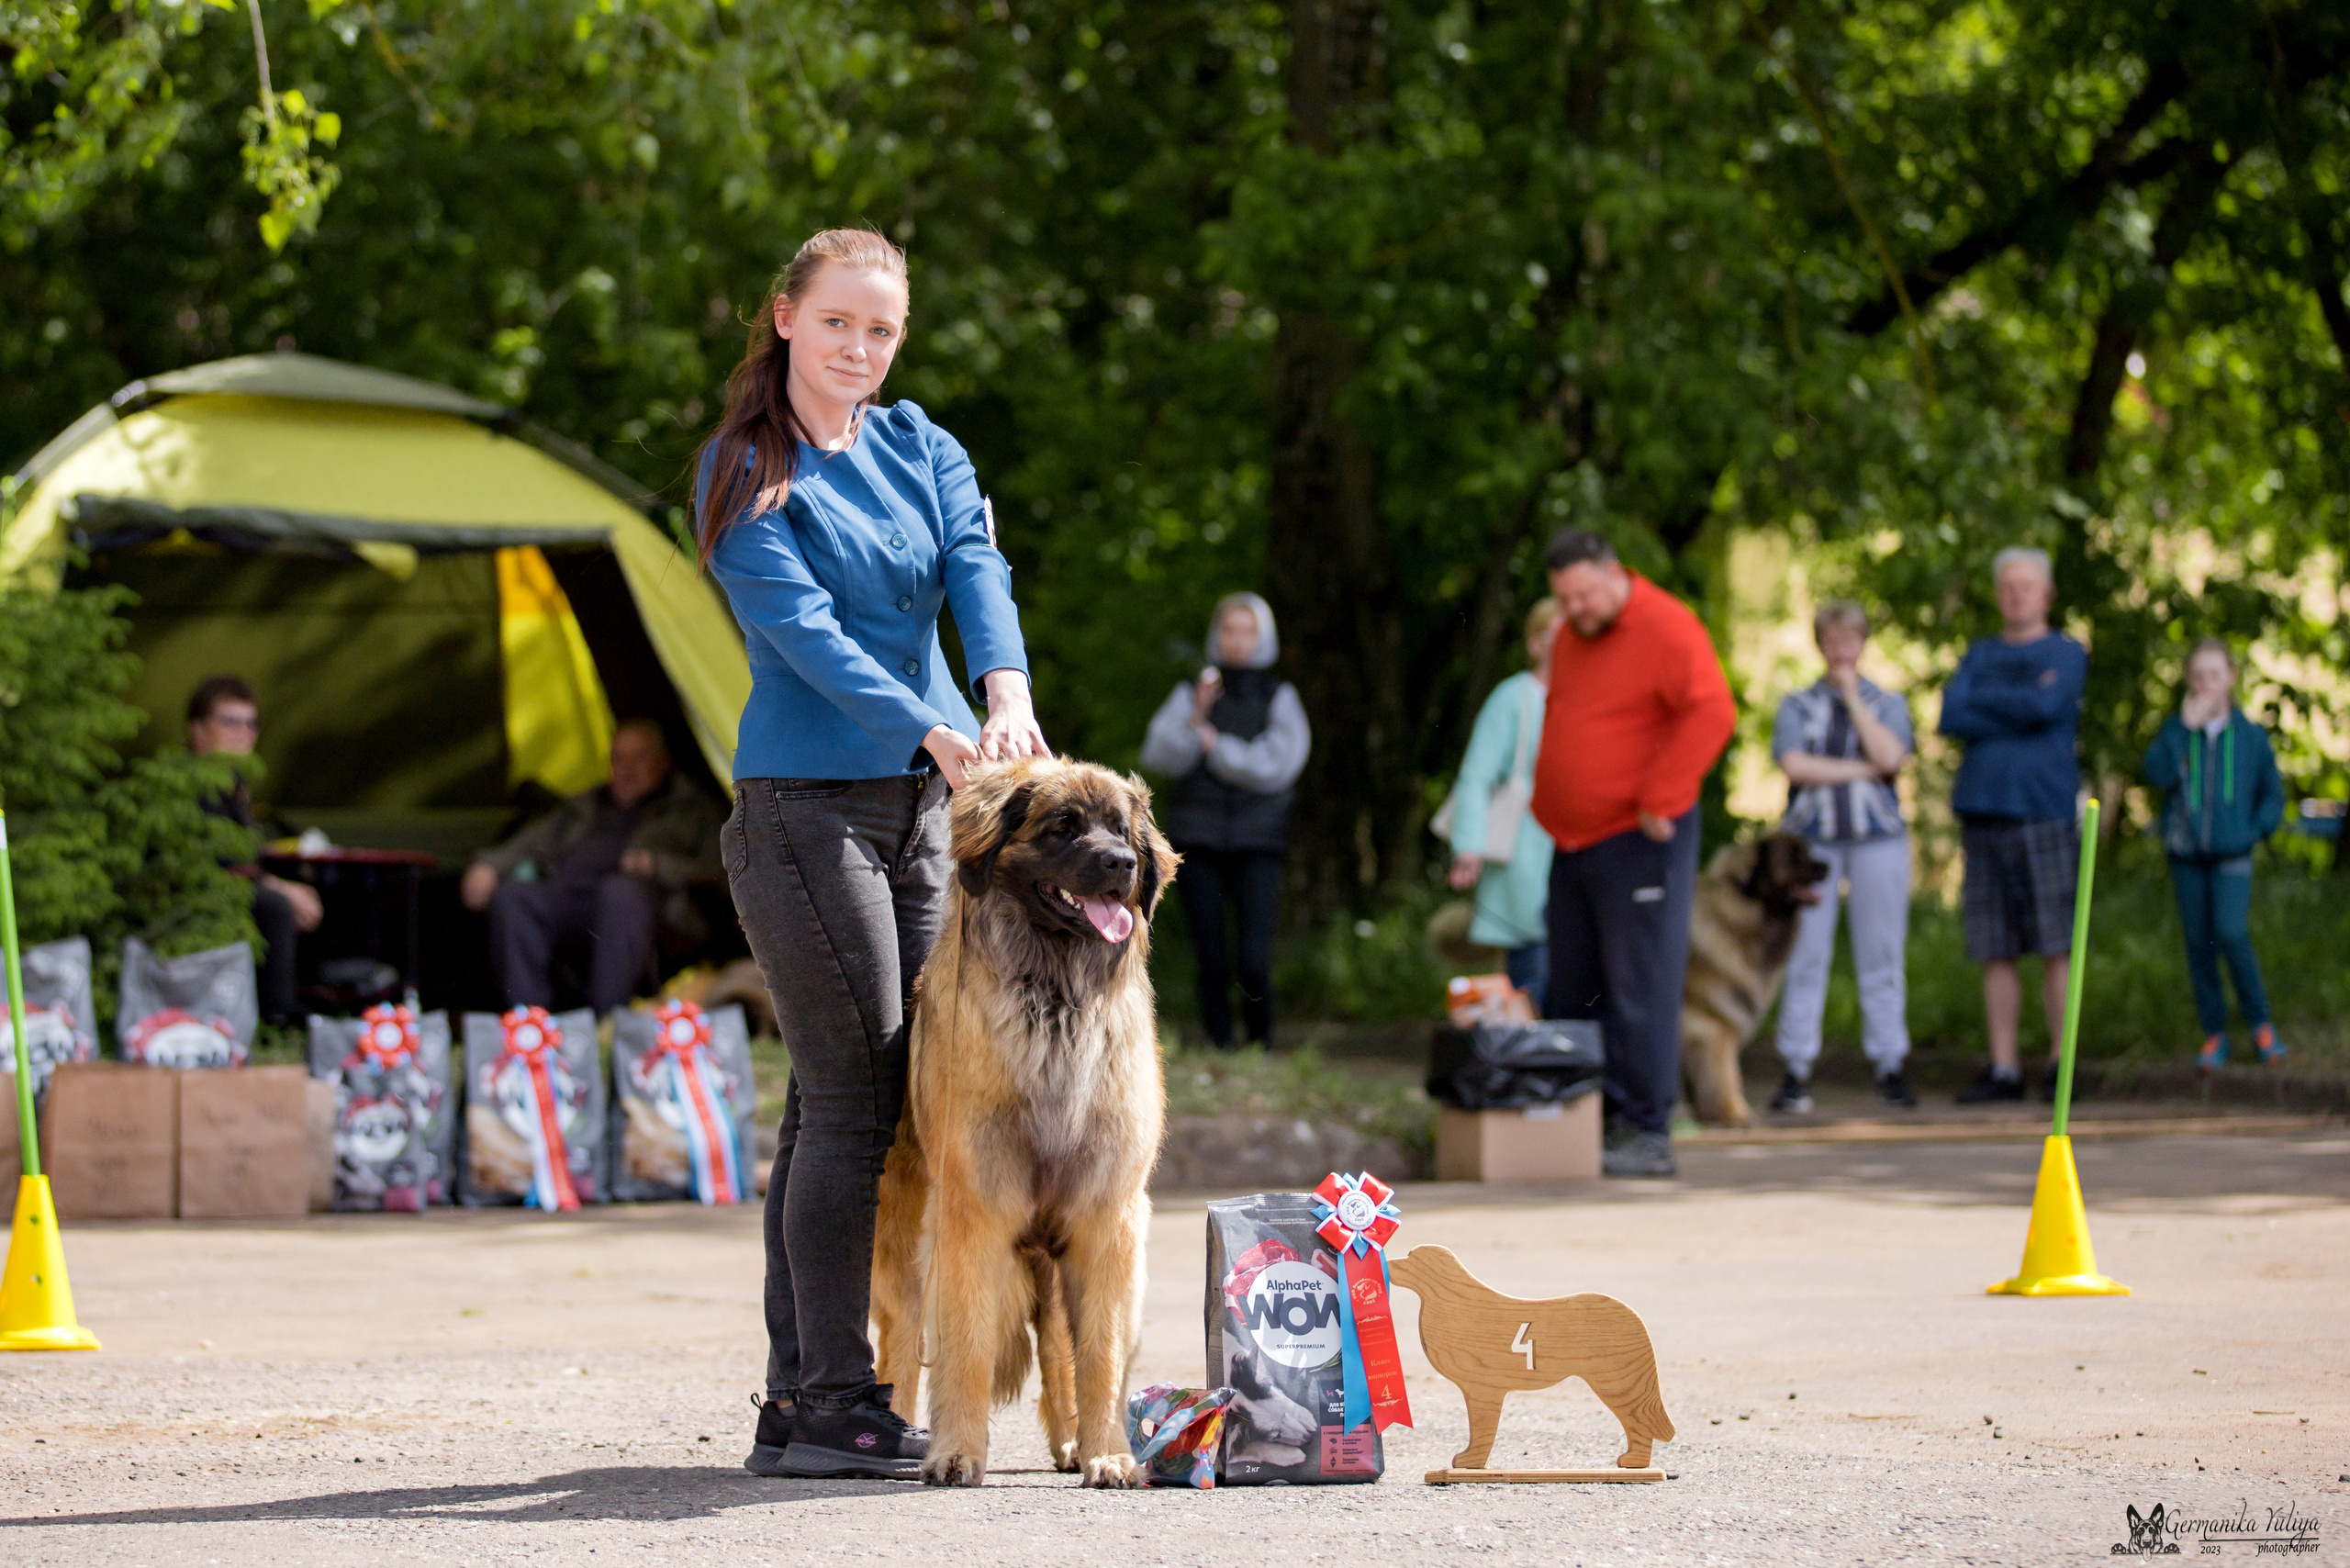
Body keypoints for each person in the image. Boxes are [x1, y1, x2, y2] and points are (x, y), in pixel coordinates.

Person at [693, 229, 1044, 1481]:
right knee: (854, 1103)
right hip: (805, 809)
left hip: (920, 809)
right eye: (837, 322)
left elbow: (973, 563)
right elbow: (806, 637)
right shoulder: (745, 469)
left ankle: (800, 1405)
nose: (859, 348)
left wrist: (1001, 687)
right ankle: (838, 1397)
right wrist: (938, 727)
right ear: (785, 318)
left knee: (842, 1101)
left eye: (881, 329)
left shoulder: (920, 446)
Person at [1530, 531, 1736, 1179]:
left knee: (1639, 982)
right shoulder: (1570, 636)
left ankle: (1648, 1126)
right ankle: (1584, 1120)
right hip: (1573, 841)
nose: (1576, 609)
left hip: (1640, 838)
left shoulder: (1668, 627)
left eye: (1585, 594)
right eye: (1564, 599)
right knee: (1575, 984)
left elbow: (1712, 711)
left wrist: (1663, 796)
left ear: (1615, 573)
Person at [1937, 546, 2088, 1104]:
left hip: (2044, 813)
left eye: (2026, 585)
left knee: (2055, 943)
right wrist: (2019, 702)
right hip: (1983, 814)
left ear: (2046, 593)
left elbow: (2049, 707)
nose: (2016, 594)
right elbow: (1951, 713)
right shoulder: (1978, 653)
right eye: (2007, 586)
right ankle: (2003, 1068)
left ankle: (2059, 1064)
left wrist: (1990, 704)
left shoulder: (2067, 653)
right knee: (1994, 947)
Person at [1766, 600, 1918, 1114]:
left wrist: (1855, 703)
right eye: (1832, 641)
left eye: (1850, 640)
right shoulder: (1796, 705)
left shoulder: (1886, 702)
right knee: (1807, 954)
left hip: (1879, 842)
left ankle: (1890, 1063)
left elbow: (1892, 756)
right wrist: (1860, 770)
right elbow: (1795, 765)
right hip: (1815, 844)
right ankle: (1795, 1067)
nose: (1841, 651)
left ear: (1863, 644)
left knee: (1882, 953)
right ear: (1819, 645)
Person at [460, 720, 722, 1015]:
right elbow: (528, 842)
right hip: (570, 903)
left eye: (639, 757)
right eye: (617, 759)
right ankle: (529, 1026)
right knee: (514, 896)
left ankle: (608, 1021)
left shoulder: (694, 810)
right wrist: (489, 866)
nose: (627, 768)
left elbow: (720, 871)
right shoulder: (584, 805)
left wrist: (659, 865)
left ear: (664, 762)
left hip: (652, 914)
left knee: (620, 893)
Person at [1141, 593, 1310, 1049]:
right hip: (1199, 839)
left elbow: (1278, 765)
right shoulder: (1193, 691)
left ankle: (1262, 1044)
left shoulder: (1281, 696)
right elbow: (1160, 755)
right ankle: (1221, 1045)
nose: (1237, 640)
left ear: (1263, 636)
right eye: (1229, 630)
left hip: (1259, 841)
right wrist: (1196, 714)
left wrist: (1217, 748)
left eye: (1247, 630)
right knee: (1210, 955)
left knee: (1254, 957)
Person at [2143, 639, 2288, 1070]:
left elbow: (2273, 796)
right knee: (2199, 943)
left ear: (2230, 678)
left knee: (2231, 933)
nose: (2206, 683)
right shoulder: (2176, 731)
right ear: (2189, 680)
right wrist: (2183, 729)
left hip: (2233, 853)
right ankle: (2214, 1033)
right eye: (2198, 675)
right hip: (2186, 855)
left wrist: (2252, 831)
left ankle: (2261, 1024)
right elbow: (2156, 773)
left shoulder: (2249, 737)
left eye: (2214, 674)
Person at [1445, 599, 1564, 1005]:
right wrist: (1469, 845)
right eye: (1554, 634)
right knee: (1534, 966)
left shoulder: (1590, 698)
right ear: (1535, 644)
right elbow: (1476, 775)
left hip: (1573, 850)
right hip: (1523, 852)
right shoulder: (1514, 698)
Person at [186, 676, 322, 1025]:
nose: (242, 732)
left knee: (307, 890)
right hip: (194, 893)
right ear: (198, 730)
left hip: (225, 886)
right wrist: (279, 889)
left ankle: (323, 998)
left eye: (250, 723)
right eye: (229, 721)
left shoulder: (234, 786)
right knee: (276, 905)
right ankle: (276, 1015)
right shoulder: (194, 784)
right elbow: (219, 864)